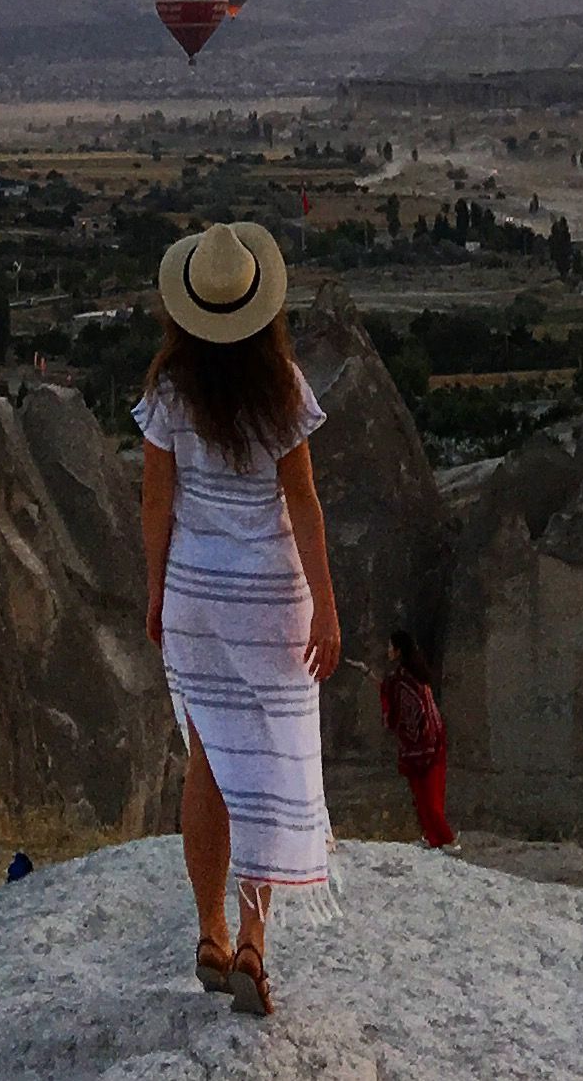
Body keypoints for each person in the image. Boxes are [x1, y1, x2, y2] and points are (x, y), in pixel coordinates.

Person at [136, 219, 339, 1022]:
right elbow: (305, 505)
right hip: (268, 602)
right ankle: (255, 941)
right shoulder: (282, 388)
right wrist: (325, 603)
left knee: (208, 763)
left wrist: (157, 592)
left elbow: (157, 504)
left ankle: (211, 934)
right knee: (268, 769)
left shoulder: (168, 393)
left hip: (196, 597)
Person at [378, 629, 454, 847]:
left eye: (391, 646)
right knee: (423, 798)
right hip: (425, 744)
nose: (388, 650)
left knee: (430, 800)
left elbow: (405, 709)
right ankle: (433, 838)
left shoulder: (407, 679)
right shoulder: (406, 677)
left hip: (427, 744)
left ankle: (446, 840)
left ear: (398, 650)